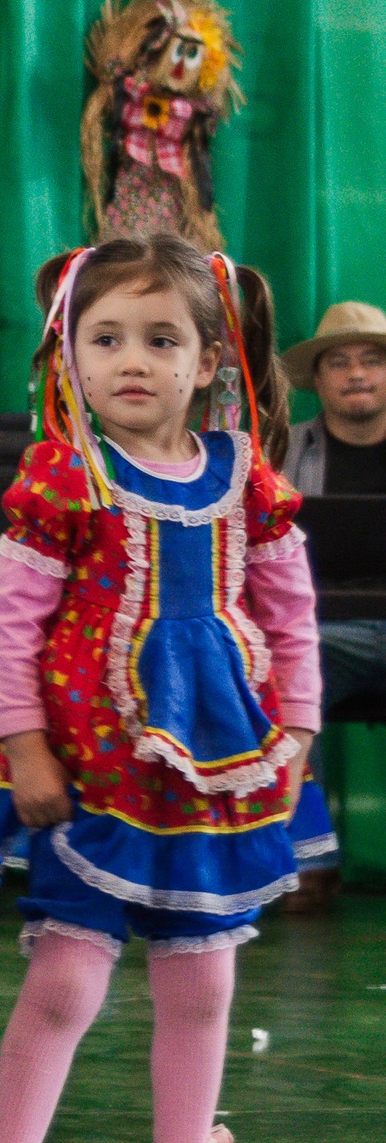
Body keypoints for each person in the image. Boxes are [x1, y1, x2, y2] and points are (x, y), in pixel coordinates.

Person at [0, 234, 315, 1143]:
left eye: (161, 340)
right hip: (91, 771)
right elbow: (8, 627)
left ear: (207, 361)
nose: (131, 361)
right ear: (66, 354)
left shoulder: (246, 478)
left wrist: (296, 728)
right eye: (104, 337)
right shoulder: (64, 477)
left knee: (202, 985)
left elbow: (290, 614)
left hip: (215, 769)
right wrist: (23, 745)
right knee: (65, 980)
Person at [274, 301, 386, 908]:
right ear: (316, 380)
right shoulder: (283, 453)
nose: (357, 374)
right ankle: (309, 860)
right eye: (339, 362)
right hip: (321, 632)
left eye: (372, 360)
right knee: (272, 675)